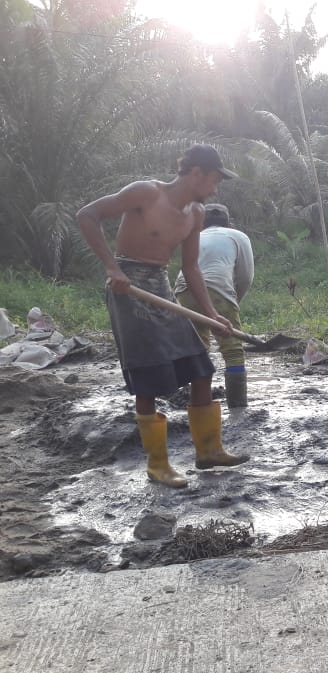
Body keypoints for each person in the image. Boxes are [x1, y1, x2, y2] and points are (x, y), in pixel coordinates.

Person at [76, 144, 250, 489]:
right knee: (149, 375)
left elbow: (190, 268)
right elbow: (87, 215)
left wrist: (213, 314)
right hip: (128, 288)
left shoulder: (196, 214)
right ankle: (158, 465)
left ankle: (209, 451)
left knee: (201, 367)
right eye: (214, 180)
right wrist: (112, 267)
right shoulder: (146, 192)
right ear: (196, 173)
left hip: (161, 285)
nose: (215, 189)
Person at [173, 203, 255, 408]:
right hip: (218, 289)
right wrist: (234, 300)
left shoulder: (194, 236)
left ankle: (198, 402)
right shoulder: (238, 236)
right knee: (233, 349)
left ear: (201, 222)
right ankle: (238, 407)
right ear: (228, 222)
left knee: (198, 350)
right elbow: (245, 276)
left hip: (184, 290)